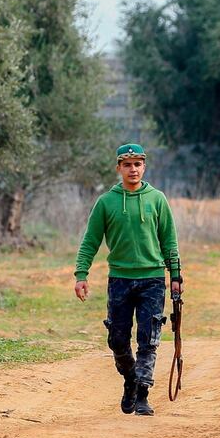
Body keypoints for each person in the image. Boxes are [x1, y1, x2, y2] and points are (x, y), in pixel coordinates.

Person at [74, 144, 182, 416]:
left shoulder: (157, 199)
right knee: (117, 340)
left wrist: (176, 276)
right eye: (127, 165)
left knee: (149, 338)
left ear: (144, 167)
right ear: (119, 168)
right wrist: (81, 274)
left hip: (153, 279)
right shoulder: (106, 202)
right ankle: (131, 380)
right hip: (120, 280)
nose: (133, 169)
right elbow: (90, 241)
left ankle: (143, 395)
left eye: (137, 164)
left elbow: (169, 240)